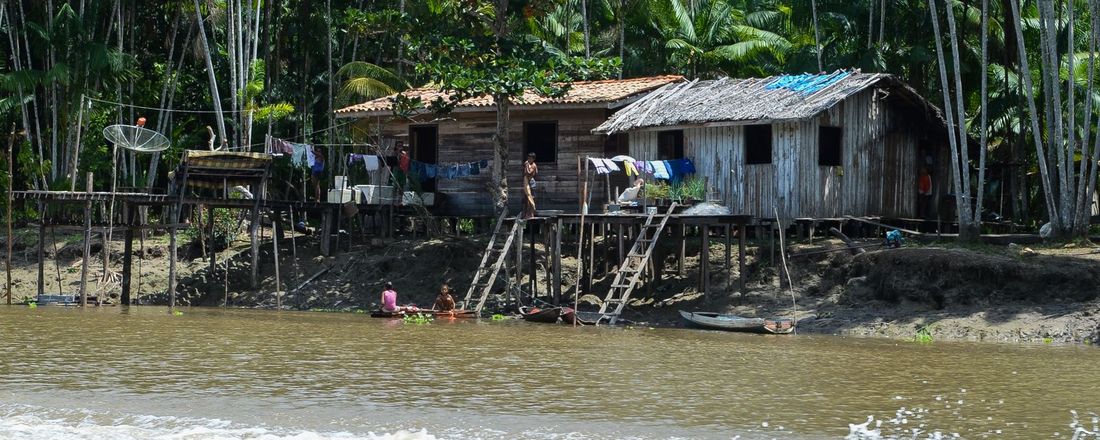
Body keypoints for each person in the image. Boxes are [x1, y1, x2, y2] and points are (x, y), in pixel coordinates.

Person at [522, 152, 538, 219]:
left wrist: (526, 165)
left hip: (531, 182)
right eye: (528, 158)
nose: (529, 159)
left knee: (531, 198)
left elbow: (529, 173)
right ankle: (526, 214)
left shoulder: (533, 165)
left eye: (530, 158)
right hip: (527, 182)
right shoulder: (528, 164)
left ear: (533, 159)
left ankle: (531, 214)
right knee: (526, 198)